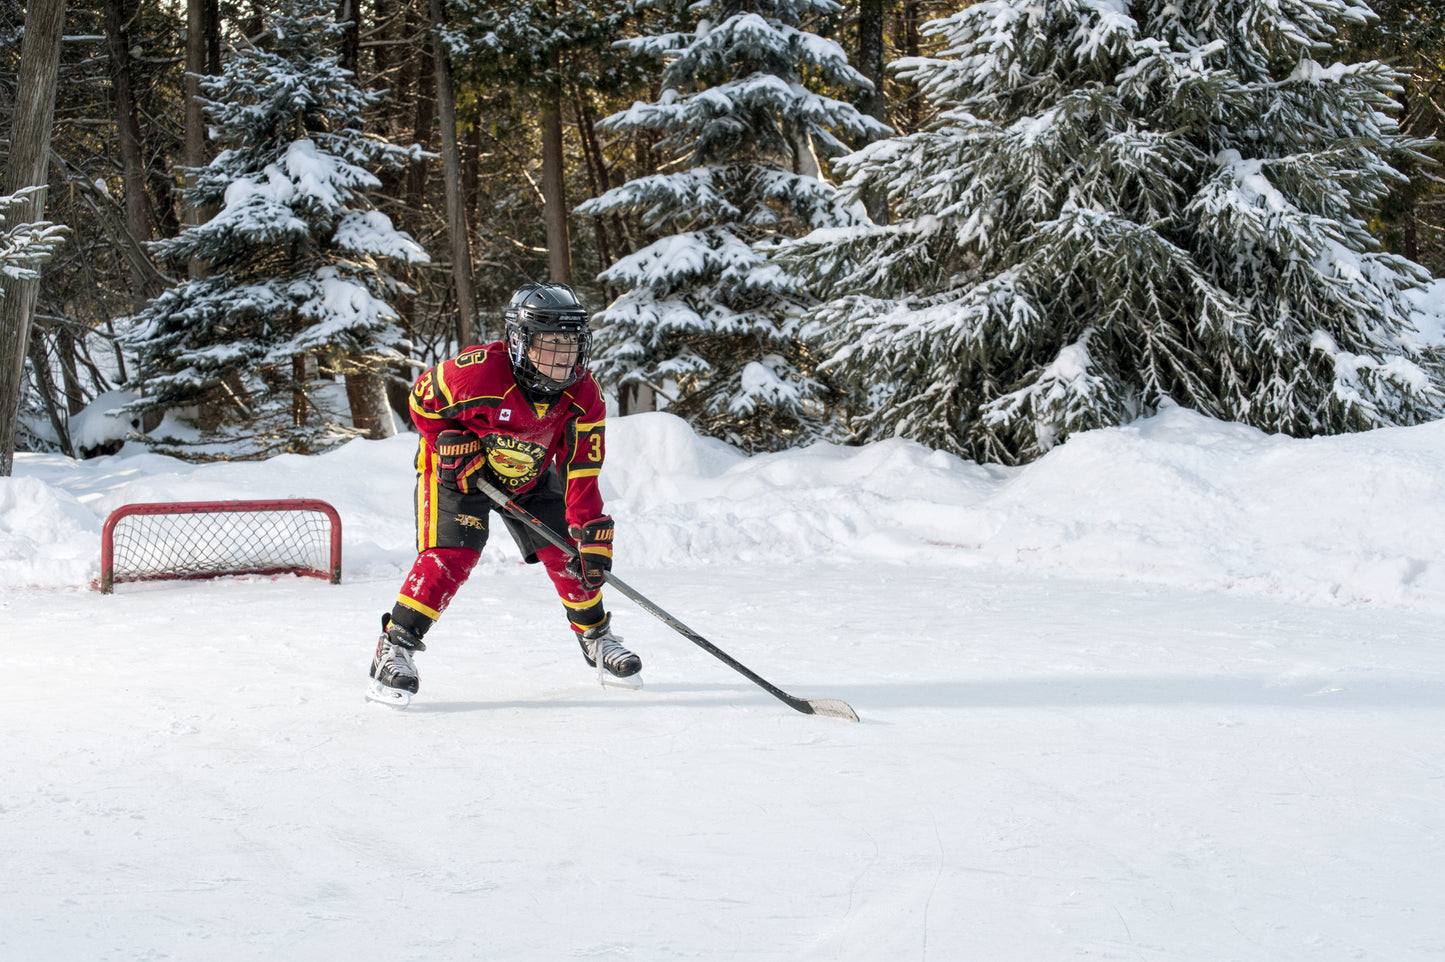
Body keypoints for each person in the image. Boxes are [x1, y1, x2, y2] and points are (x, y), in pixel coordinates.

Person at [366, 283, 642, 707]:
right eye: (549, 344)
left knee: (570, 552)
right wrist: (449, 438)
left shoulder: (584, 396)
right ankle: (395, 647)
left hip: (528, 476)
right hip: (461, 472)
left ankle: (596, 638)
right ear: (519, 342)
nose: (562, 358)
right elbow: (421, 401)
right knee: (452, 553)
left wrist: (588, 529)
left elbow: (581, 470)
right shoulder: (476, 373)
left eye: (570, 345)